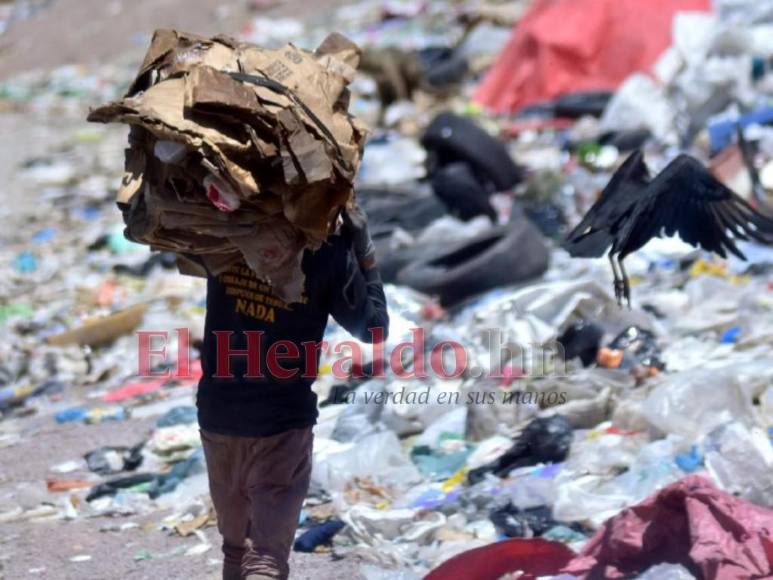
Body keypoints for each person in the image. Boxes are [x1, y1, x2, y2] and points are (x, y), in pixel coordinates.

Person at [196, 206, 389, 580]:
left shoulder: (226, 237)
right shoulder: (326, 253)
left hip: (218, 416)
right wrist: (363, 249)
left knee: (236, 552)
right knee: (266, 559)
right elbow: (375, 330)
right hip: (280, 424)